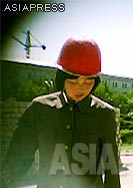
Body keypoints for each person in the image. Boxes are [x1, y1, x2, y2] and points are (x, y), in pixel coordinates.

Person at [2, 36, 121, 188]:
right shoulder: (39, 110)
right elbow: (17, 160)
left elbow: (112, 172)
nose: (81, 87)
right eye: (73, 81)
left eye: (88, 81)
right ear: (62, 78)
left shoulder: (104, 115)